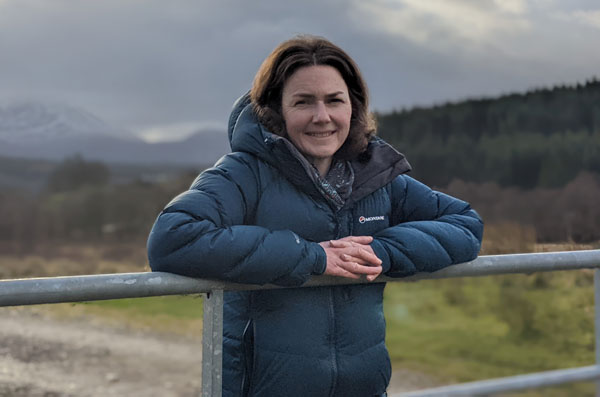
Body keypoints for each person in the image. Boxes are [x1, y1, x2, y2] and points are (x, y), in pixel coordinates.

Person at [147, 35, 483, 397]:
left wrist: (379, 252)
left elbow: (465, 224)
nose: (321, 117)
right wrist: (312, 257)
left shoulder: (375, 177)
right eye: (303, 102)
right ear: (276, 110)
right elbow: (173, 236)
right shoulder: (244, 174)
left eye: (334, 101)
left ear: (353, 108)